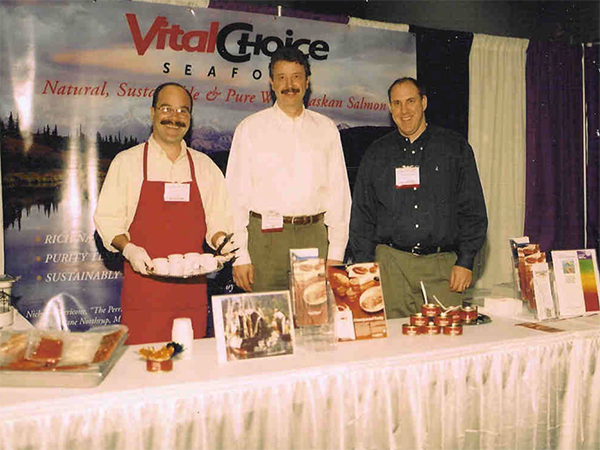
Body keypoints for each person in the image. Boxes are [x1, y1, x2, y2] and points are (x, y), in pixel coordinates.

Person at [94, 82, 234, 344]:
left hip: (192, 293)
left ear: (190, 119)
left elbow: (219, 220)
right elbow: (108, 220)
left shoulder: (204, 166)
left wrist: (221, 243)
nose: (174, 117)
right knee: (142, 369)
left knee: (190, 368)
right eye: (166, 108)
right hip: (143, 290)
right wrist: (129, 249)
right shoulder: (127, 162)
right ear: (152, 113)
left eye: (183, 111)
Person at [349, 77, 487, 318]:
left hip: (443, 267)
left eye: (411, 101)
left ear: (423, 102)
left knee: (447, 347)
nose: (405, 110)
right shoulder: (375, 154)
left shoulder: (455, 148)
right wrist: (366, 271)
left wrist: (465, 261)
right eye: (397, 103)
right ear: (390, 108)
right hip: (391, 267)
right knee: (394, 348)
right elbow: (362, 216)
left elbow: (473, 211)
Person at [226, 47, 351, 293]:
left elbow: (339, 195)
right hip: (264, 242)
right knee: (265, 324)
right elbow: (234, 197)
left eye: (296, 76)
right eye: (281, 77)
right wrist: (240, 256)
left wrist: (336, 254)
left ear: (307, 81)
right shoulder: (249, 129)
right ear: (271, 83)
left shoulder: (326, 129)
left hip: (313, 238)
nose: (289, 84)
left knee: (311, 324)